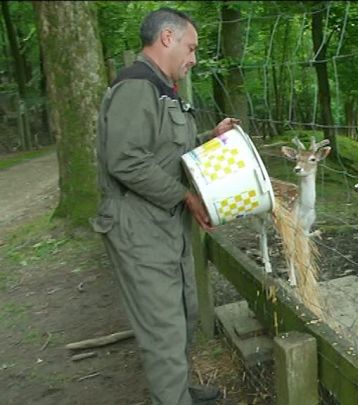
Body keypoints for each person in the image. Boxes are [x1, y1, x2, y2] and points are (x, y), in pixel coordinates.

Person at [91, 7, 238, 405]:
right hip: (138, 227)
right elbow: (125, 161)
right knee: (162, 328)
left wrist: (211, 137)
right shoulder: (136, 87)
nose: (193, 57)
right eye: (191, 47)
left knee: (181, 312)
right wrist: (186, 196)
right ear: (167, 38)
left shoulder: (160, 89)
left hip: (162, 223)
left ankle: (177, 391)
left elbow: (163, 152)